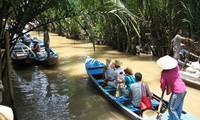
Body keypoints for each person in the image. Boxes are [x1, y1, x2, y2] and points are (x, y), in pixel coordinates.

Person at [157, 55, 187, 120]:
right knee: (178, 107)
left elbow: (162, 84)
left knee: (171, 109)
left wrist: (163, 88)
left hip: (177, 91)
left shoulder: (164, 73)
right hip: (184, 89)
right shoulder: (176, 67)